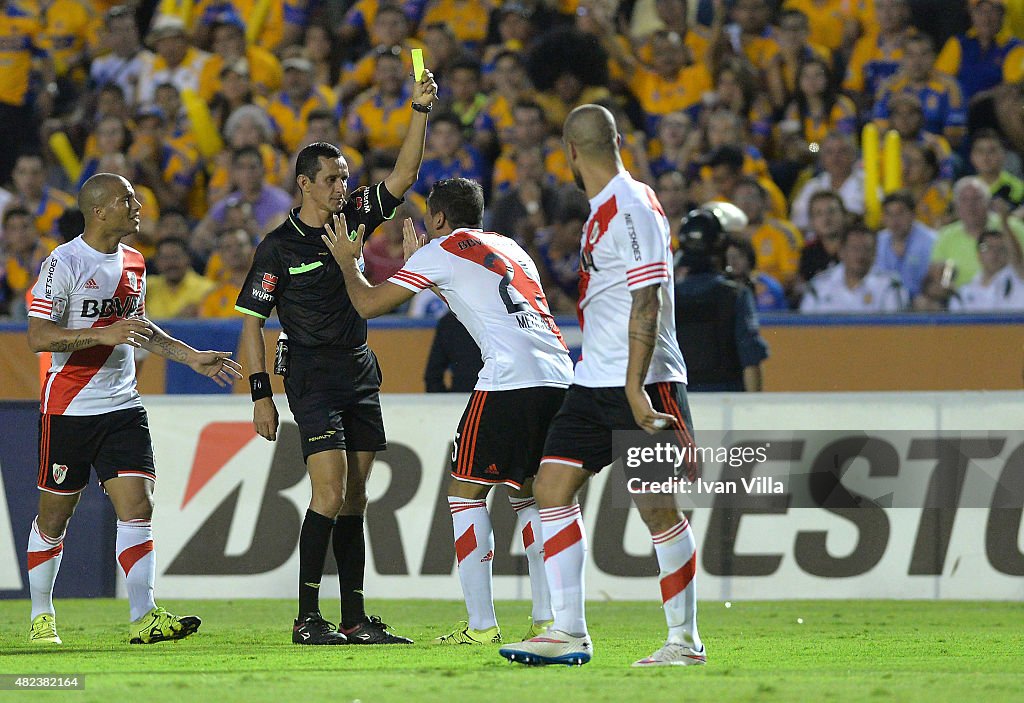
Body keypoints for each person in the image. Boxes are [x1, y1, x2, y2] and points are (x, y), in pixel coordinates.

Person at [321, 177, 574, 645]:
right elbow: (474, 298)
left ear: (437, 218)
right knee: (530, 495)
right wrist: (424, 267)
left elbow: (367, 304)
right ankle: (546, 619)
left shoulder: (438, 252)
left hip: (508, 381)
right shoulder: (510, 247)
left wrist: (347, 261)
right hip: (559, 375)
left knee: (466, 494)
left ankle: (481, 626)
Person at [234, 67, 439, 646]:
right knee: (326, 493)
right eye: (329, 179)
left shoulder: (354, 220)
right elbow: (251, 323)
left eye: (345, 177)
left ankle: (353, 618)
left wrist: (419, 111)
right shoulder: (278, 246)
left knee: (355, 496)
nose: (340, 187)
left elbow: (405, 174)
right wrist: (260, 396)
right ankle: (306, 617)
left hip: (358, 371)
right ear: (303, 184)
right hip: (312, 379)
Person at [498, 104, 705, 668]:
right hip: (595, 380)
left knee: (657, 508)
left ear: (570, 152)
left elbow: (648, 297)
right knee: (551, 487)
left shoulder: (633, 206)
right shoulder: (601, 211)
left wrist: (635, 387)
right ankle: (569, 631)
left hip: (646, 382)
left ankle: (684, 642)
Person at [24, 172, 241, 645]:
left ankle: (145, 615)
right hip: (70, 409)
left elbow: (139, 328)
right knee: (54, 519)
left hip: (123, 405)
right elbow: (39, 336)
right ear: (99, 210)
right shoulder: (62, 263)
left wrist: (192, 358)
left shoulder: (136, 262)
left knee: (137, 507)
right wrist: (102, 334)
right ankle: (42, 613)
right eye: (127, 200)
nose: (138, 205)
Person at [675, 203, 769, 392]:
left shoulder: (667, 298)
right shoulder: (735, 295)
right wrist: (753, 411)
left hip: (680, 401)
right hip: (727, 402)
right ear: (720, 245)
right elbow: (750, 359)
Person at [800, 221, 908, 313]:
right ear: (841, 252)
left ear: (875, 253)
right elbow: (804, 329)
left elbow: (896, 331)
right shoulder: (819, 287)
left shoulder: (889, 286)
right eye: (855, 248)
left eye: (867, 248)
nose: (861, 254)